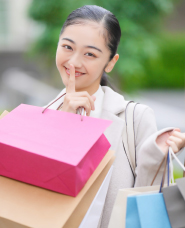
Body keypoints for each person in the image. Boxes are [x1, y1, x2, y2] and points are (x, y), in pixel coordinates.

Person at [44, 5, 185, 227]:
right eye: (67, 47)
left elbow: (146, 208)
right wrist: (62, 124)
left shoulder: (135, 118)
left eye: (90, 53)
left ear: (111, 62)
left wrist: (155, 157)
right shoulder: (35, 120)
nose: (73, 62)